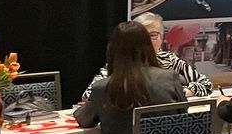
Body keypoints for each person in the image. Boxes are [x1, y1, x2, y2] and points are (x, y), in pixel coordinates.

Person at [82, 12, 211, 101]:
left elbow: (206, 84)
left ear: (162, 37)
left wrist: (183, 93)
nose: (147, 41)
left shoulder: (170, 59)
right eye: (142, 36)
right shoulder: (120, 63)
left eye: (153, 35)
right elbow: (88, 96)